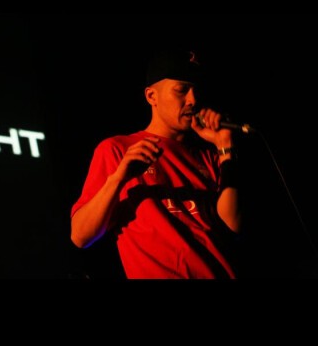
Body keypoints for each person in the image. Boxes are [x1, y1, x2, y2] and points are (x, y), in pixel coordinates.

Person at [70, 48, 243, 279]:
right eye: (181, 90)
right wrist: (119, 178)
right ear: (152, 96)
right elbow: (81, 236)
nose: (193, 100)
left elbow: (232, 226)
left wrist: (226, 147)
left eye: (196, 91)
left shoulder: (209, 156)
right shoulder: (118, 149)